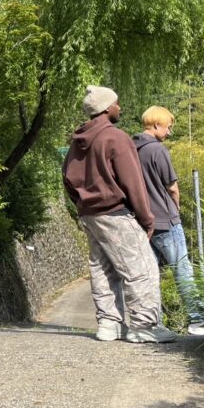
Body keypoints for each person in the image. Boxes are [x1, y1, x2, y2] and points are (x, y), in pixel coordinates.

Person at [62, 85, 177, 343]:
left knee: (102, 267)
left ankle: (108, 324)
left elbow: (68, 179)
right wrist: (146, 218)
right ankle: (143, 325)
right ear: (106, 108)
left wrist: (81, 204)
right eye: (116, 103)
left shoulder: (77, 143)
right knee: (142, 268)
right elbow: (133, 182)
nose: (120, 107)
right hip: (115, 212)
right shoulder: (115, 138)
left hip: (89, 214)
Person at [133, 106, 204, 337]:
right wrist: (175, 209)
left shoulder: (131, 149)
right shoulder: (157, 150)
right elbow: (172, 187)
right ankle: (199, 320)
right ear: (157, 125)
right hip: (165, 220)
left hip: (142, 220)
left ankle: (151, 322)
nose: (169, 132)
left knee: (149, 274)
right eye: (168, 127)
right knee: (182, 269)